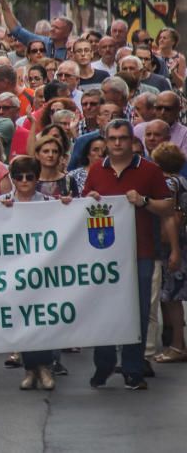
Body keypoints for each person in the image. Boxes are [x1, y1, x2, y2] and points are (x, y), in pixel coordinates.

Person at [83, 119, 175, 390]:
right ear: (106, 141)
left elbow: (167, 207)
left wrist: (144, 202)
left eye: (122, 138)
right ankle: (104, 364)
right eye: (112, 138)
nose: (118, 143)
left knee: (138, 310)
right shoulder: (96, 171)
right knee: (103, 310)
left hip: (141, 252)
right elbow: (83, 205)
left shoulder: (150, 170)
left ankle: (133, 368)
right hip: (103, 254)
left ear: (131, 141)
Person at [0, 156, 62, 391]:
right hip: (13, 272)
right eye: (19, 177)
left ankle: (44, 367)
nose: (24, 181)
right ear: (12, 179)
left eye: (30, 177)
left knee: (41, 317)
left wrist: (67, 205)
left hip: (42, 270)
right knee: (22, 318)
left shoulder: (48, 201)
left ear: (37, 179)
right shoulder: (1, 202)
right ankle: (30, 369)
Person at [149, 142, 187, 364]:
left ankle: (177, 345)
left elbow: (169, 215)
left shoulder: (168, 184)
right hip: (181, 241)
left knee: (172, 297)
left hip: (169, 244)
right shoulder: (182, 181)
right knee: (174, 296)